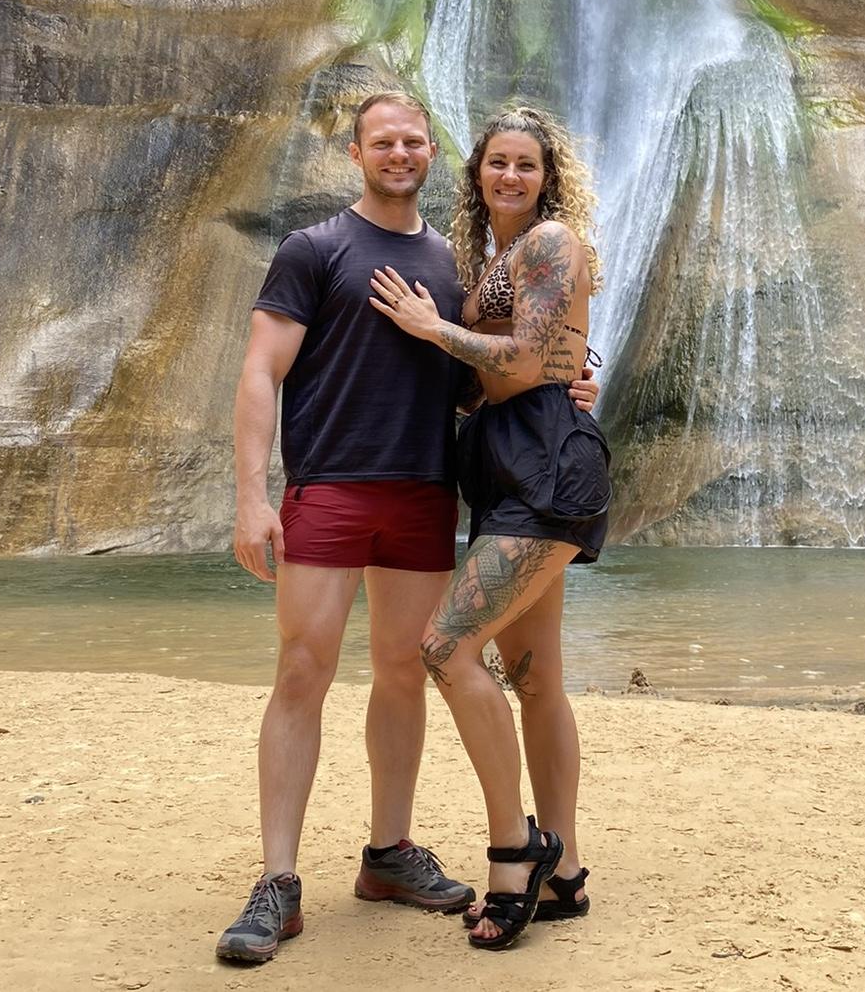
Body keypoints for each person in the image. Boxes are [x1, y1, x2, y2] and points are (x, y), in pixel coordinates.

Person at [216, 91, 598, 965]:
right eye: (383, 142)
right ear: (356, 152)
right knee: (303, 668)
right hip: (332, 485)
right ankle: (277, 879)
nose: (399, 153)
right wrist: (250, 496)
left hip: (430, 490)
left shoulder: (453, 265)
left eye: (413, 142)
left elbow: (496, 368)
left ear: (432, 154)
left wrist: (573, 378)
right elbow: (260, 371)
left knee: (407, 668)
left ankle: (389, 852)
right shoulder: (314, 249)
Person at [368, 104, 609, 951]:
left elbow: (529, 360)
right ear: (477, 173)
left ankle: (518, 851)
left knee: (444, 648)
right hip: (506, 465)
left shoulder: (548, 242)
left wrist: (433, 328)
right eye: (497, 162)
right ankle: (565, 871)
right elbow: (505, 373)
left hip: (546, 465)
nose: (510, 175)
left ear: (548, 177)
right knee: (536, 679)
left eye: (526, 164)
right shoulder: (490, 261)